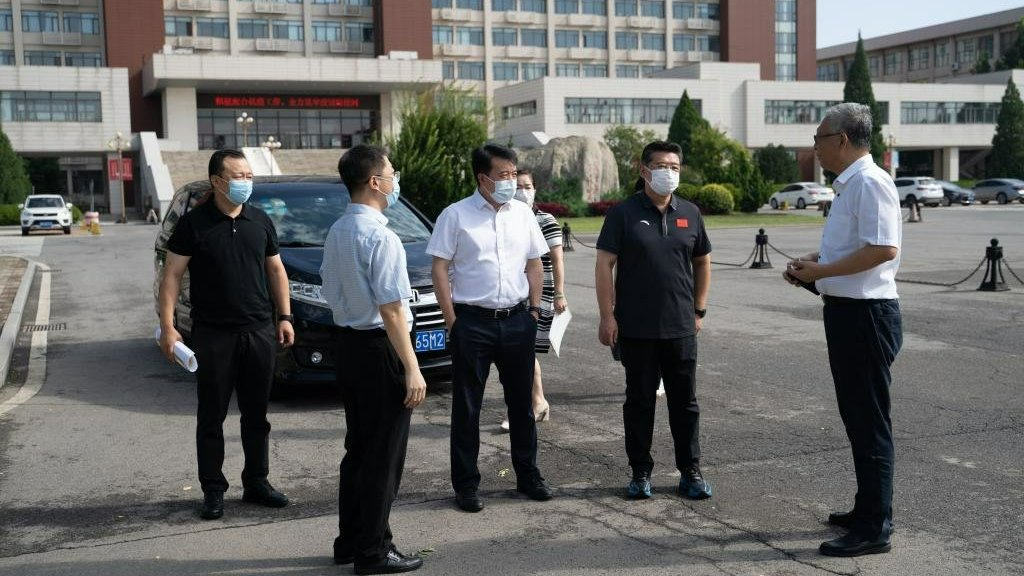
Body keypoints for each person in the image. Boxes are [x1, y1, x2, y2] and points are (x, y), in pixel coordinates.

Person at [785, 102, 902, 558]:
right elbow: (855, 247)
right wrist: (815, 265)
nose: (815, 147)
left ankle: (874, 527)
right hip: (848, 313)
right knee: (857, 419)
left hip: (866, 316)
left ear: (842, 140)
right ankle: (867, 508)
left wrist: (822, 271)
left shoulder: (870, 182)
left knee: (869, 423)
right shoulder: (850, 185)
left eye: (818, 138)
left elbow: (883, 249)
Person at [158, 149, 294, 520]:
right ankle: (213, 490)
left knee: (256, 415)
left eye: (249, 176)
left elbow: (276, 271)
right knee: (211, 416)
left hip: (258, 331)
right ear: (217, 181)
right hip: (214, 335)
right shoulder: (194, 224)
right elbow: (171, 276)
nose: (245, 183)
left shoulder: (260, 220)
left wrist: (284, 317)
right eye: (238, 176)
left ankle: (257, 482)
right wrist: (168, 327)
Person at [427, 143, 553, 513]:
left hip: (517, 320)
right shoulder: (455, 215)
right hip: (472, 323)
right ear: (483, 178)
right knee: (467, 408)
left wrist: (533, 311)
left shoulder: (522, 214)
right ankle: (466, 485)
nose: (511, 181)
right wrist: (452, 321)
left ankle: (528, 476)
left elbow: (535, 262)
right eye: (504, 175)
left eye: (514, 173)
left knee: (522, 405)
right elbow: (439, 268)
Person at [320, 145, 425, 574]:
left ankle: (350, 541)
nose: (395, 180)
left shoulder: (337, 230)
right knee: (383, 456)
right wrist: (412, 367)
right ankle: (374, 550)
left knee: (359, 450)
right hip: (379, 348)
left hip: (348, 346)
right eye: (392, 173)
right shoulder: (381, 237)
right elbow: (393, 310)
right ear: (375, 182)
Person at [595, 140, 713, 501]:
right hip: (637, 328)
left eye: (674, 167)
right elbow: (604, 264)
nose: (669, 173)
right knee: (640, 403)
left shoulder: (690, 213)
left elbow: (702, 261)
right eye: (662, 166)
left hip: (680, 327)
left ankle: (690, 471)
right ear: (644, 170)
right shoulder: (623, 214)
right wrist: (607, 316)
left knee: (685, 403)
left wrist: (699, 309)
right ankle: (640, 472)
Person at [500, 169, 567, 431]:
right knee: (520, 351)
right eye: (517, 186)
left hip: (541, 293)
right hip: (514, 293)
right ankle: (537, 402)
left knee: (522, 350)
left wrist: (560, 293)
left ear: (535, 190)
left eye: (527, 186)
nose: (522, 191)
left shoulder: (544, 220)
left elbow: (557, 260)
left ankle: (534, 403)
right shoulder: (506, 218)